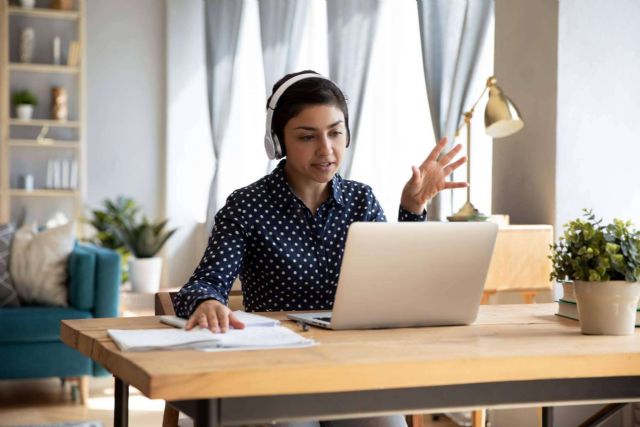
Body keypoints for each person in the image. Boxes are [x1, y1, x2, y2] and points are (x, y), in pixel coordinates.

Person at [174, 70, 467, 331]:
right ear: (278, 142)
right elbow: (204, 284)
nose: (326, 150)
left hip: (356, 352)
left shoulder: (360, 200)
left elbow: (399, 283)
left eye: (335, 133)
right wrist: (207, 302)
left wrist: (412, 209)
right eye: (307, 137)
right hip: (277, 357)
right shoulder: (247, 206)